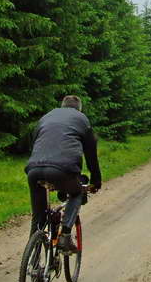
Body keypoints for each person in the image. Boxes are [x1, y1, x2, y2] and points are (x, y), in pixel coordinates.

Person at [26, 95, 101, 253]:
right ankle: (65, 235)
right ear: (79, 109)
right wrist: (96, 179)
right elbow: (90, 151)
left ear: (62, 106)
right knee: (77, 192)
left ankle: (32, 258)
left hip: (34, 169)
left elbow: (34, 142)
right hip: (62, 169)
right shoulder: (81, 119)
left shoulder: (47, 116)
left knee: (38, 219)